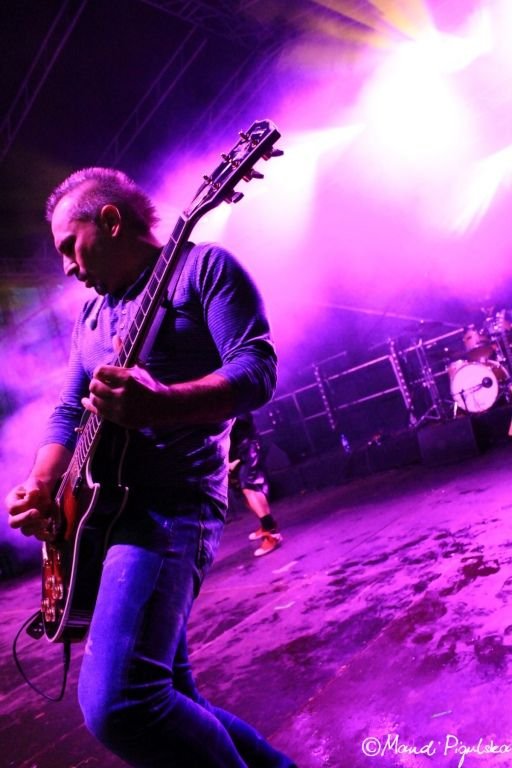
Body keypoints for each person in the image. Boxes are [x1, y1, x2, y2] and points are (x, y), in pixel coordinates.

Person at [5, 168, 296, 768]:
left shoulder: (204, 269)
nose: (66, 267)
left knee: (119, 703)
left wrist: (161, 403)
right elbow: (68, 410)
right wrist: (42, 483)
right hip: (109, 517)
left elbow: (256, 370)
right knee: (172, 696)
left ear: (110, 221)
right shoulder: (91, 317)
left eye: (70, 246)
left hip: (172, 508)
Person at [228, 413, 282, 557]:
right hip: (231, 449)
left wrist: (238, 458)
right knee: (240, 491)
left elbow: (242, 420)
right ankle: (266, 523)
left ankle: (271, 533)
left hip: (247, 447)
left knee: (249, 487)